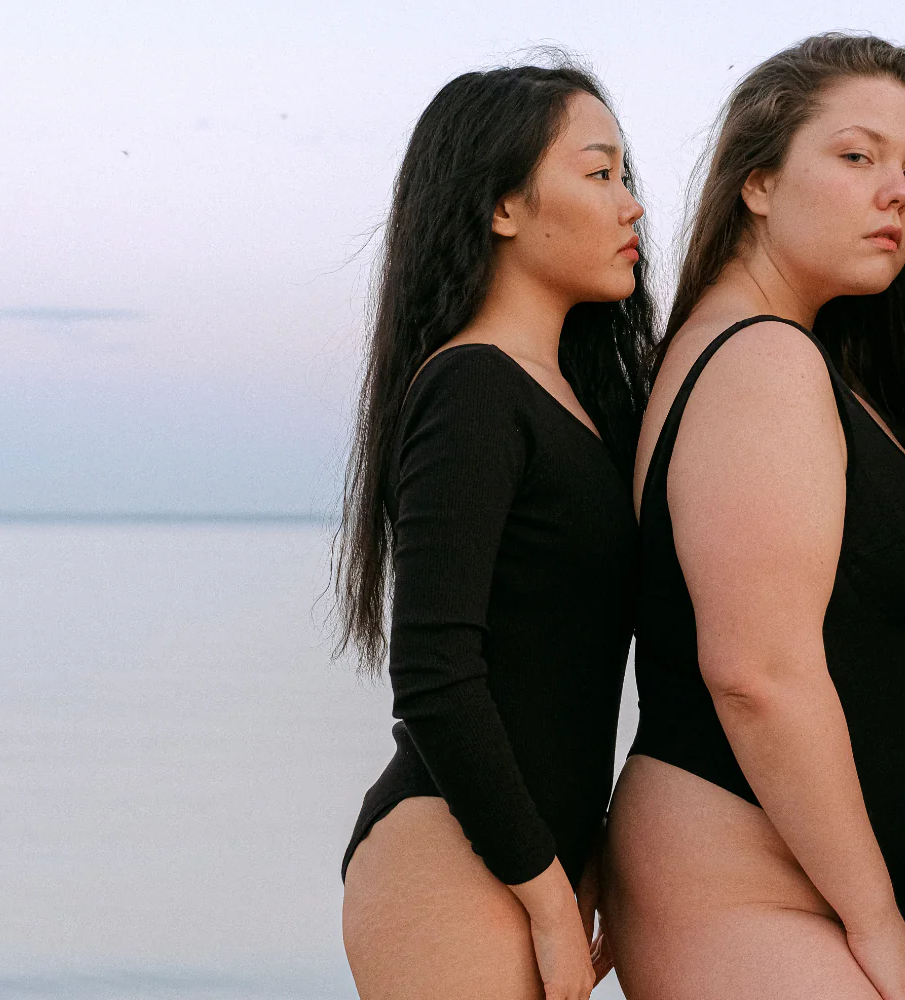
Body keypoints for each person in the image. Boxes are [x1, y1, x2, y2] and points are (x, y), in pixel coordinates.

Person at [602, 33, 905, 1000]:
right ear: (760, 181)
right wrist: (877, 929)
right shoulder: (762, 361)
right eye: (857, 157)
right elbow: (757, 674)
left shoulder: (798, 359)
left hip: (793, 898)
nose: (898, 191)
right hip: (744, 895)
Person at [332, 61, 657, 1000]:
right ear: (503, 207)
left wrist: (583, 858)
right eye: (599, 174)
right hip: (452, 853)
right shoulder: (473, 387)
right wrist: (551, 901)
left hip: (531, 858)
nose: (632, 205)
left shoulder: (585, 409)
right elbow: (434, 674)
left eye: (625, 174)